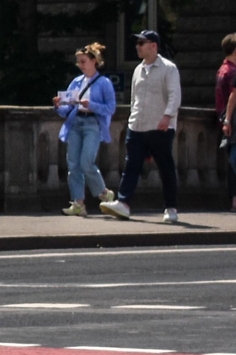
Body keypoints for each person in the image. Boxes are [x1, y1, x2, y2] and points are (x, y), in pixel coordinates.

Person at [101, 29, 180, 221]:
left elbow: (174, 95)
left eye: (141, 43)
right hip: (137, 126)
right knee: (131, 164)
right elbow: (134, 98)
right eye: (137, 43)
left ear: (153, 46)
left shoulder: (168, 68)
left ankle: (171, 208)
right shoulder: (138, 69)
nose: (137, 47)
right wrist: (131, 119)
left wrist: (167, 116)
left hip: (160, 127)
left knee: (165, 167)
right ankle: (123, 202)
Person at [54, 43, 116, 216]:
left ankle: (103, 193)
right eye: (79, 62)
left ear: (94, 61)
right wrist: (58, 106)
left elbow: (110, 108)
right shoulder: (76, 82)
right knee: (73, 163)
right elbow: (67, 109)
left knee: (86, 161)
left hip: (92, 124)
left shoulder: (104, 83)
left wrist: (92, 105)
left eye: (83, 61)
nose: (80, 65)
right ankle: (78, 203)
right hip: (75, 123)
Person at [216, 33, 236, 213]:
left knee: (232, 162)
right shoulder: (232, 71)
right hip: (231, 121)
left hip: (224, 119)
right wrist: (228, 119)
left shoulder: (223, 69)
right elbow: (233, 95)